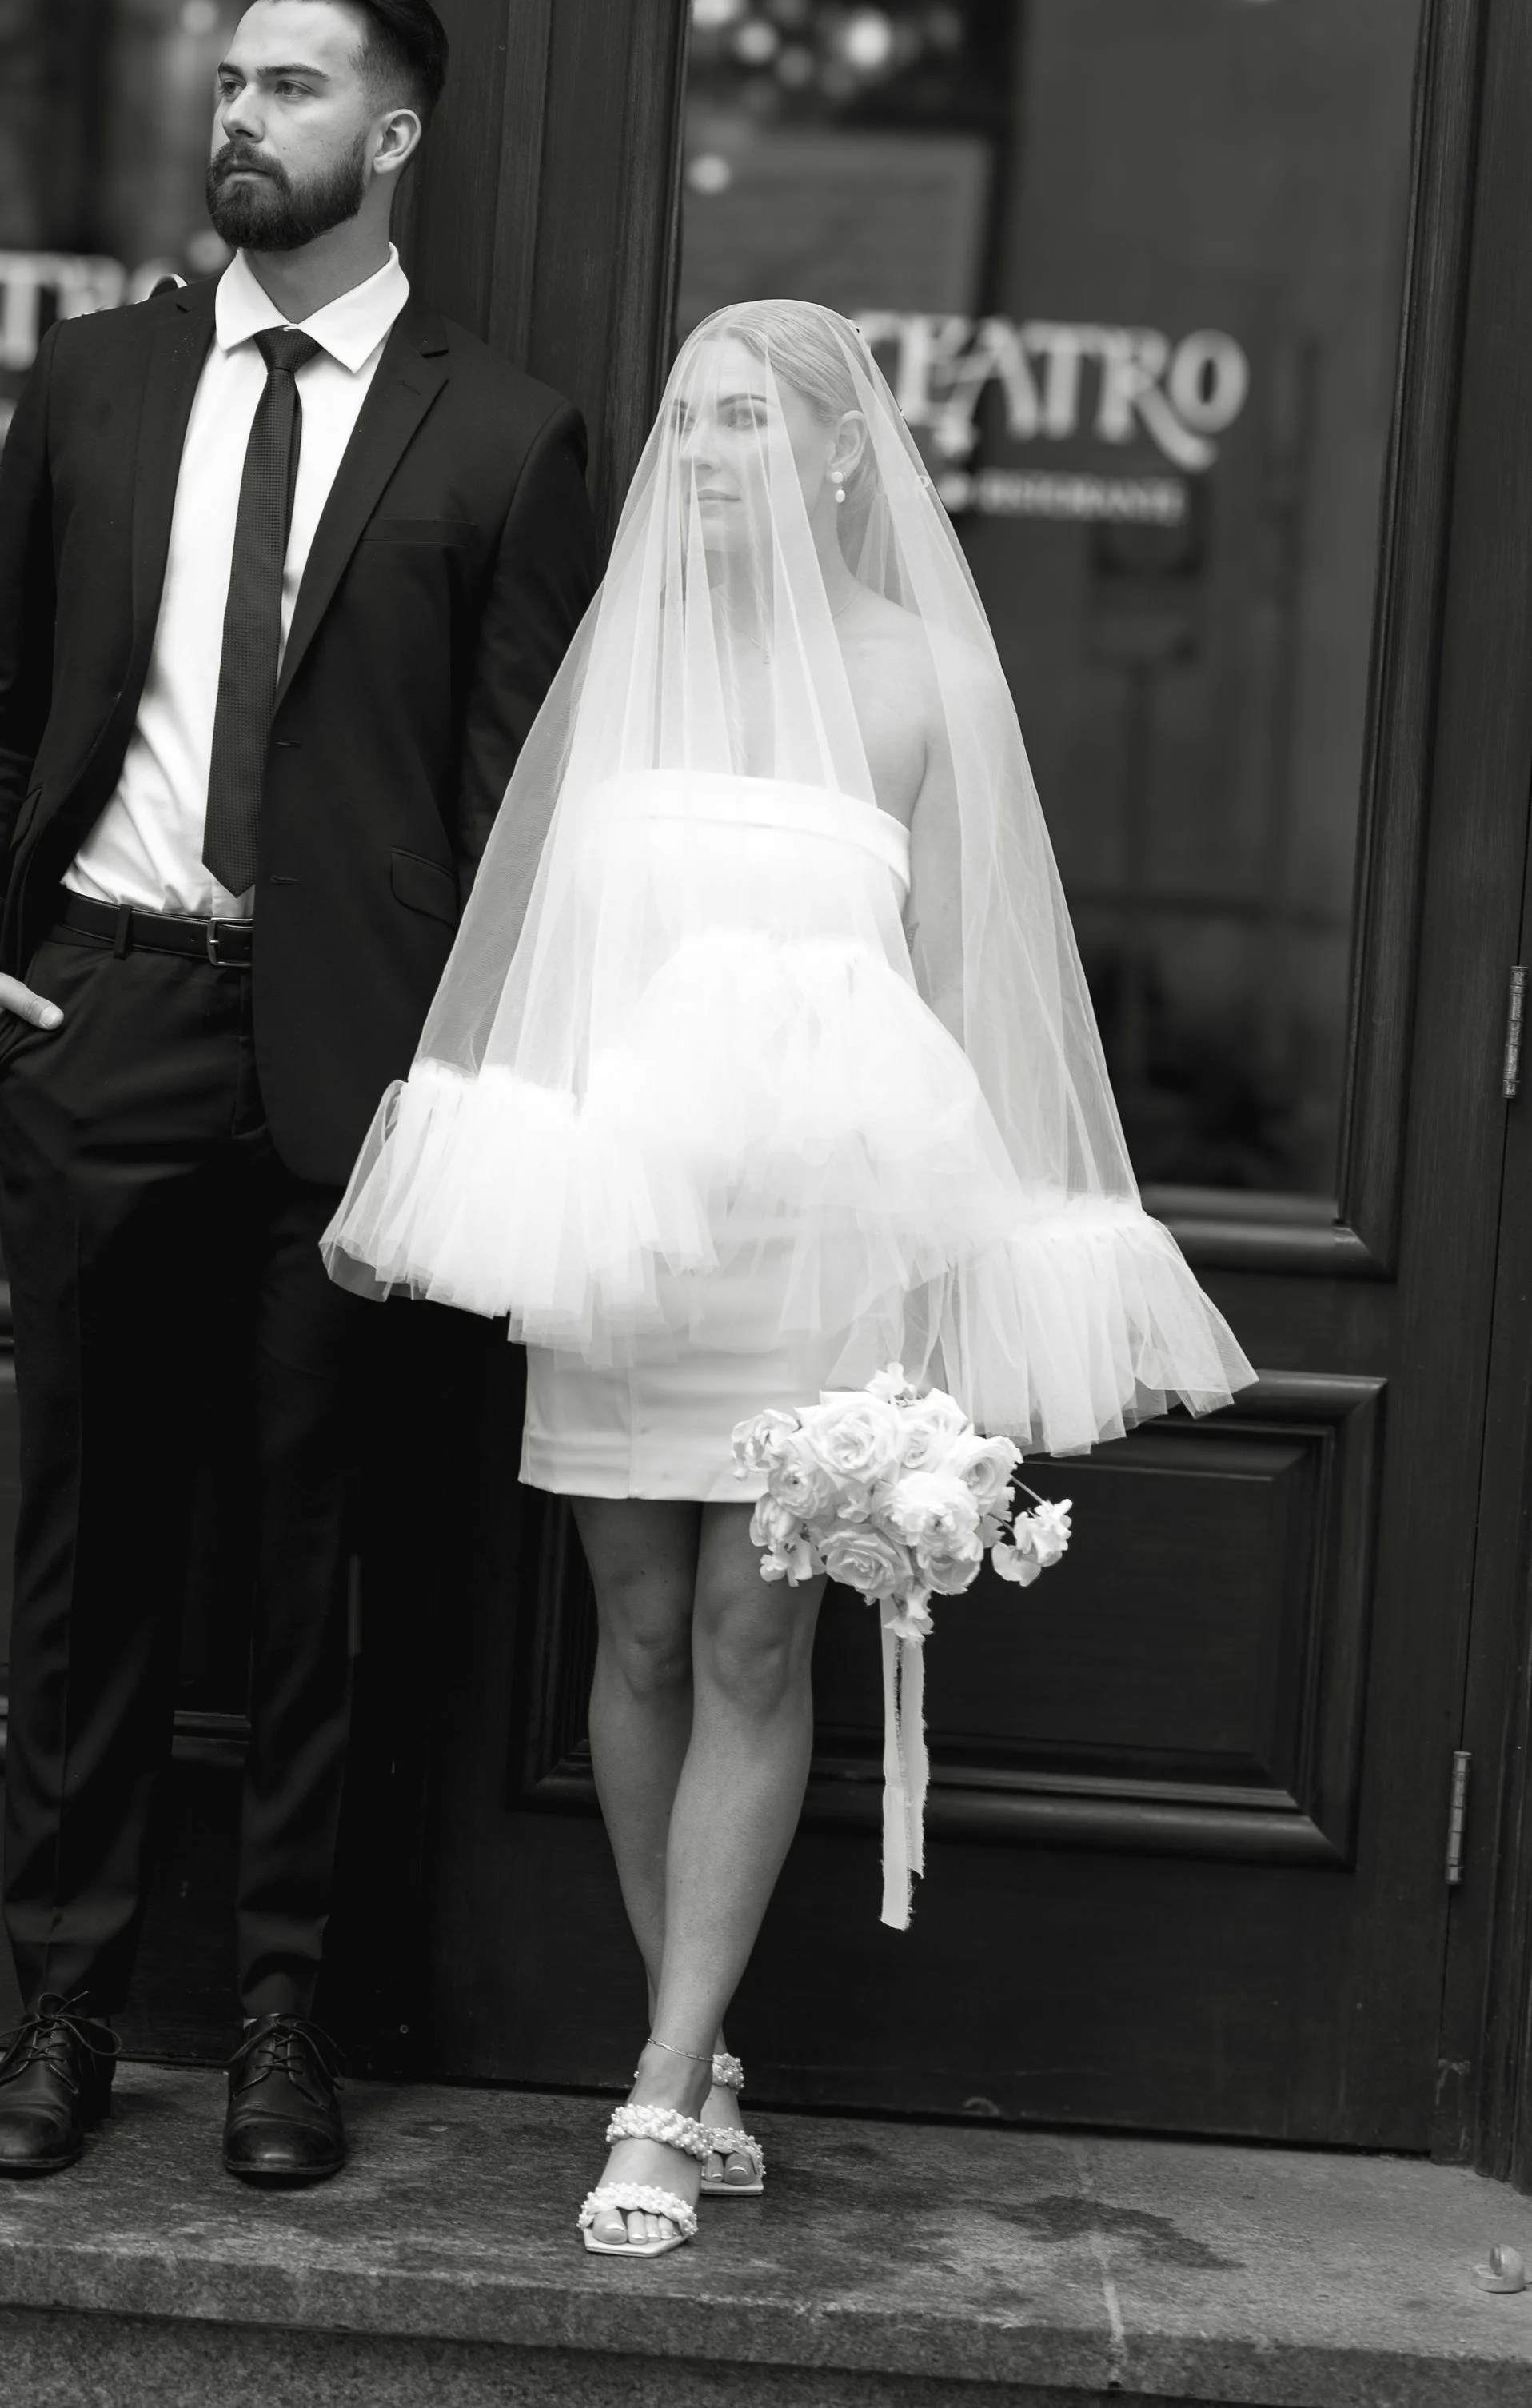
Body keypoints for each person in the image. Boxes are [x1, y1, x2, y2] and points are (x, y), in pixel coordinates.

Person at [326, 298, 1254, 2257]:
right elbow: (534, 954)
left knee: (757, 1641)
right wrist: (449, 1171)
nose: (710, 450)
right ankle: (707, 2050)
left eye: (746, 420)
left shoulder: (919, 678)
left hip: (822, 1245)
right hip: (625, 1229)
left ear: (839, 451)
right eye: (689, 419)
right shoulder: (623, 674)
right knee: (642, 1635)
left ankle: (658, 2087)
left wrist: (992, 1255)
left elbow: (984, 979)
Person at [0, 0, 596, 2189]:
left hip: (351, 1086)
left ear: (390, 138)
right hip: (100, 1020)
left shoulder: (501, 434)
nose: (241, 111)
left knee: (320, 1568)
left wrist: (465, 1084)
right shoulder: (98, 383)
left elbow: (515, 812)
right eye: (228, 78)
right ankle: (65, 2003)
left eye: (289, 85)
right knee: (91, 1552)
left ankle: (287, 2014)